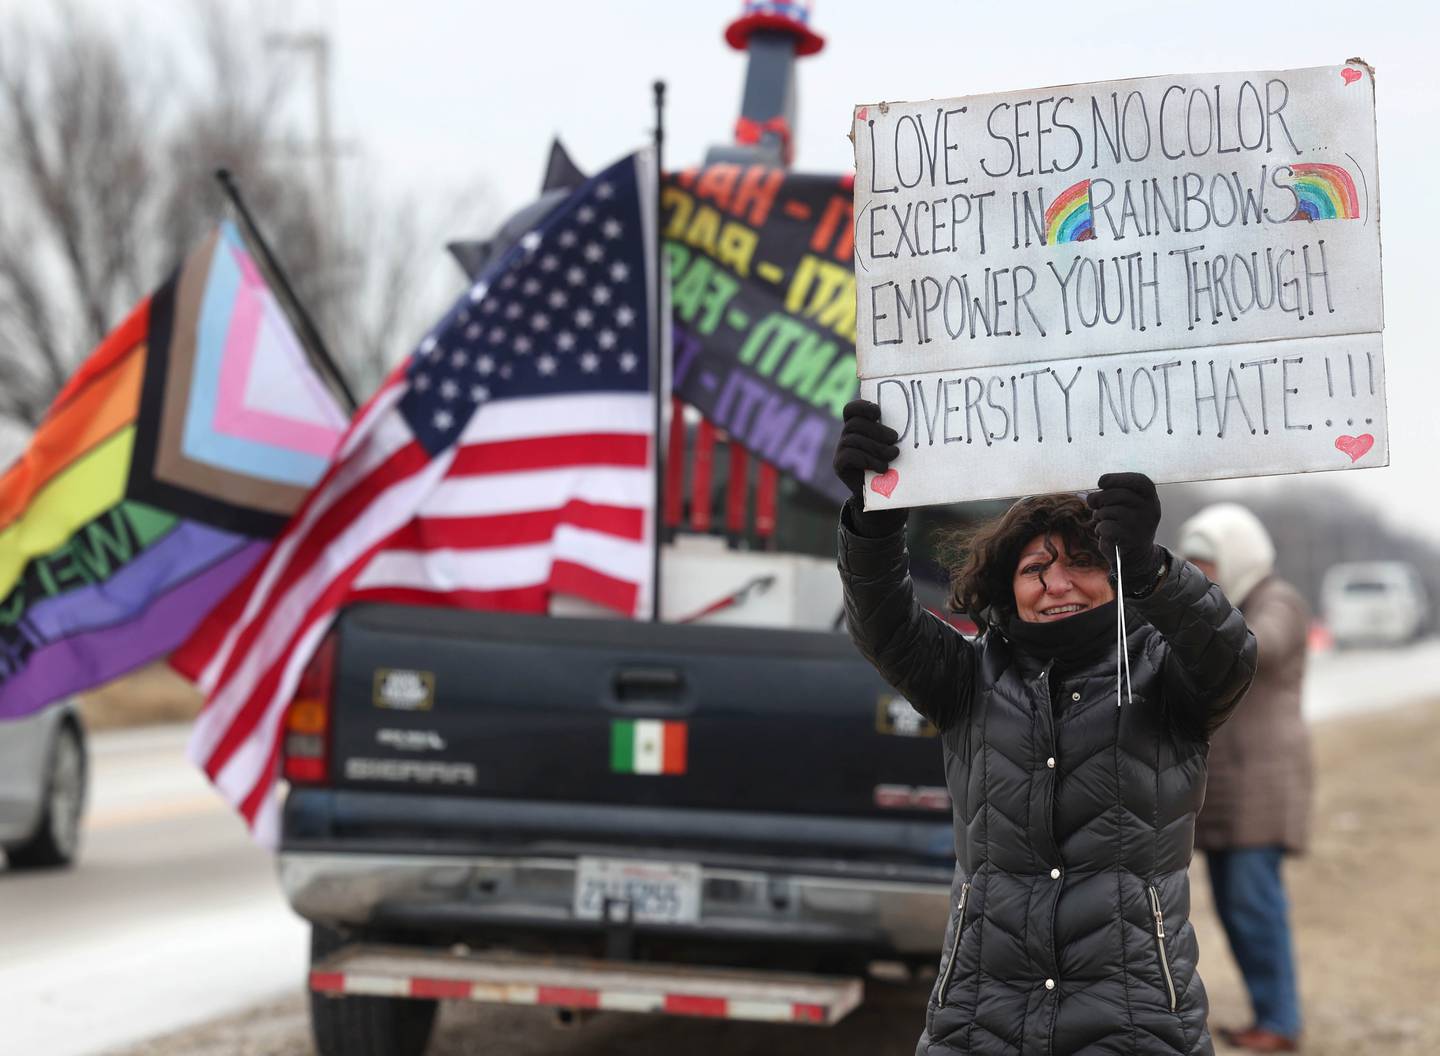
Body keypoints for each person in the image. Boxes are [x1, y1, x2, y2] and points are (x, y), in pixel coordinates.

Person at [832, 400, 1257, 1056]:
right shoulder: (968, 677)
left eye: (1082, 562)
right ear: (1009, 586)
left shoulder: (1164, 673)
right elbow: (883, 625)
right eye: (1034, 569)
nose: (1056, 583)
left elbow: (1230, 655)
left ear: (1115, 576)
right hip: (979, 1020)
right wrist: (874, 521)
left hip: (1137, 1021)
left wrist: (1155, 571)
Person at [1179, 504, 1312, 1054]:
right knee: (1238, 909)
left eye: (1207, 564)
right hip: (1230, 787)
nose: (1200, 576)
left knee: (1256, 908)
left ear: (1236, 557)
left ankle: (1279, 1023)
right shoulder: (1229, 604)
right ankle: (1271, 1016)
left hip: (1262, 784)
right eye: (1192, 566)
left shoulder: (1275, 600)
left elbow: (1257, 648)